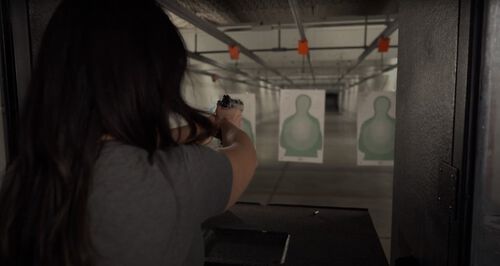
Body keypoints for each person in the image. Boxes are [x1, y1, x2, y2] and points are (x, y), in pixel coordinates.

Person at [0, 0, 257, 265]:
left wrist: (203, 128)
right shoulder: (172, 177)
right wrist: (228, 125)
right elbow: (245, 155)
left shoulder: (22, 177)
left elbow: (123, 145)